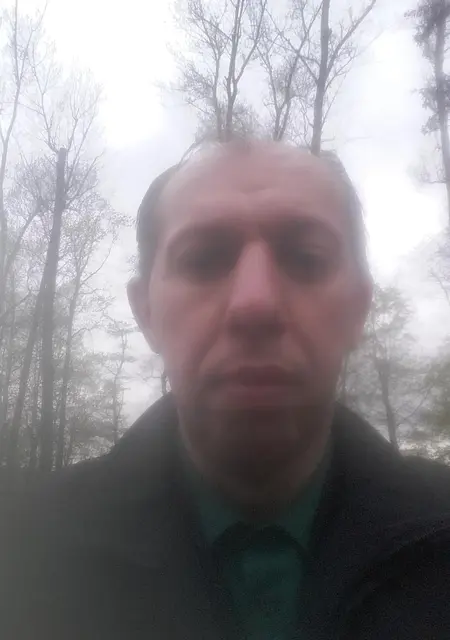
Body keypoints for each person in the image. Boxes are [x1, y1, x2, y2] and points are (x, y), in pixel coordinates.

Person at [2, 138, 450, 640]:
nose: (255, 303)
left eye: (306, 258)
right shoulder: (20, 551)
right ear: (146, 312)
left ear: (358, 311)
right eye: (203, 260)